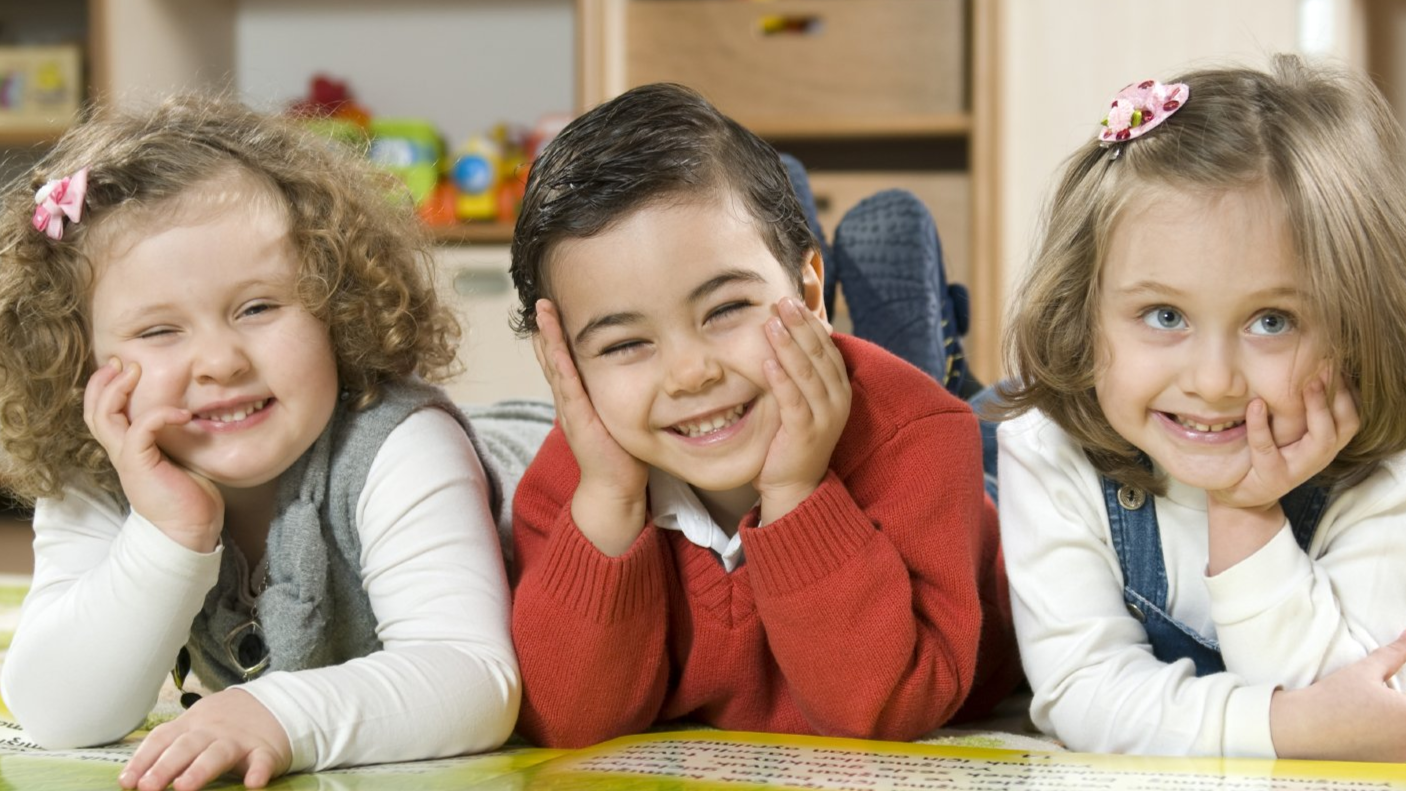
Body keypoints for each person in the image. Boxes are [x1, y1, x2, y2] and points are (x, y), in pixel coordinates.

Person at [0, 95, 520, 789]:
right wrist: (168, 534)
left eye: (258, 307)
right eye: (159, 331)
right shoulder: (103, 462)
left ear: (337, 304)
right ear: (80, 362)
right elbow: (59, 710)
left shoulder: (401, 446)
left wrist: (274, 713)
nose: (220, 361)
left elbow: (475, 677)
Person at [506, 82, 1019, 749]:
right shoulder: (574, 481)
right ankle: (836, 276)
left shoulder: (922, 439)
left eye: (724, 308)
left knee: (990, 433)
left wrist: (796, 494)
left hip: (950, 465)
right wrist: (608, 500)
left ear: (808, 289)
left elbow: (889, 710)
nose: (692, 372)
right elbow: (569, 719)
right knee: (798, 366)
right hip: (787, 378)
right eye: (625, 342)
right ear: (565, 362)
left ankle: (921, 347)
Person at [996, 55, 1406, 761]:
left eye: (1271, 321)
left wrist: (1243, 512)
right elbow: (1083, 690)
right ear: (1083, 310)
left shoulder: (1380, 476)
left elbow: (1365, 708)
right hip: (1027, 441)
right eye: (1163, 314)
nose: (1214, 381)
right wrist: (1289, 728)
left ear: (1353, 326)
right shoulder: (1046, 449)